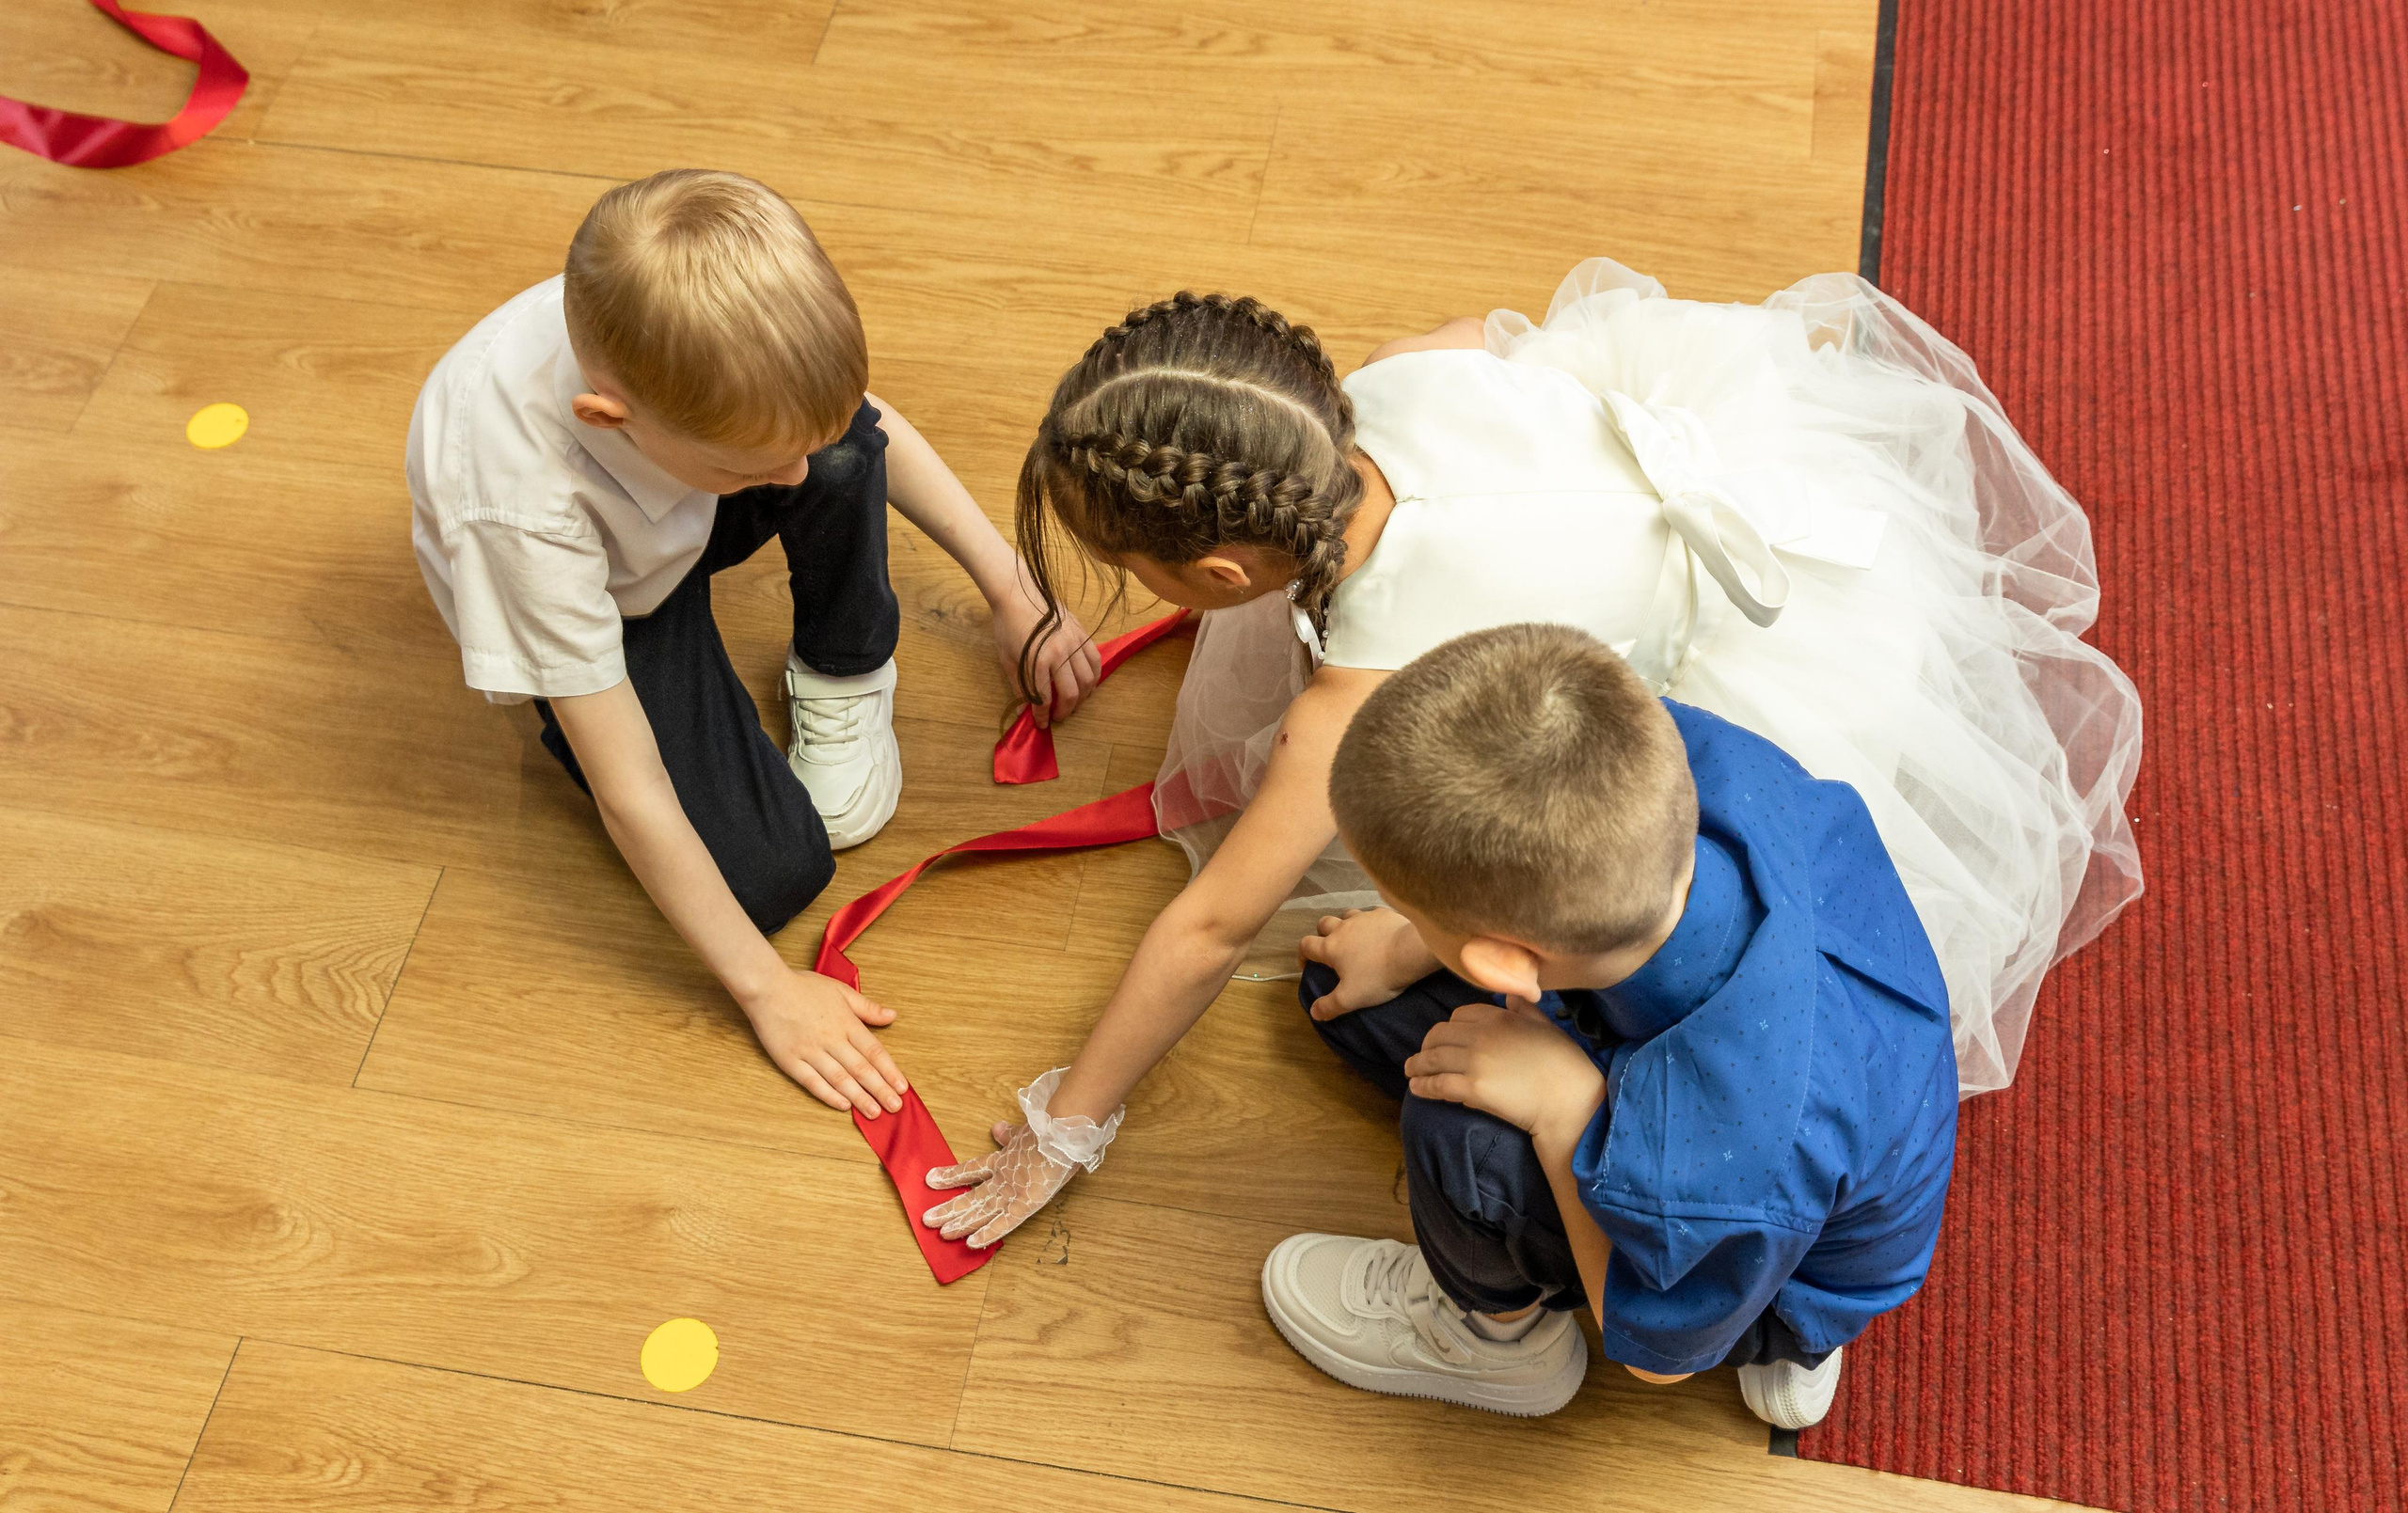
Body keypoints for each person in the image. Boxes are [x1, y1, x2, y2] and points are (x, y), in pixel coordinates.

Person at [920, 260, 2139, 1248]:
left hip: (1747, 689)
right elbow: (1469, 331)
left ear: (1222, 576)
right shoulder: (1395, 382)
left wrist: (1068, 1122)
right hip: (1747, 514)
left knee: (1562, 918)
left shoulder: (1357, 690)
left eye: (1142, 574)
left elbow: (1210, 927)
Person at [407, 168, 1100, 1117]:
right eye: (756, 462)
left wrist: (1011, 587)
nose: (796, 476)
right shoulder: (522, 514)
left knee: (847, 448)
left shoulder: (699, 368)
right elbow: (630, 789)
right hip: (605, 605)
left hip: (669, 510)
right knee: (775, 875)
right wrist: (768, 992)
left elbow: (858, 433)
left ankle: (842, 665)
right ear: (612, 417)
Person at [1262, 623, 1956, 1427]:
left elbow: (1653, 1363)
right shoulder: (1685, 750)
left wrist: (1563, 1112)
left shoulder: (1731, 1145)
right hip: (1772, 1094)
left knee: (1455, 1136)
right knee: (1344, 992)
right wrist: (1416, 941)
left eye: (1411, 910)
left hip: (1751, 1228)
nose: (1401, 917)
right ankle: (1734, 1258)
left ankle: (1501, 1340)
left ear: (1502, 960)